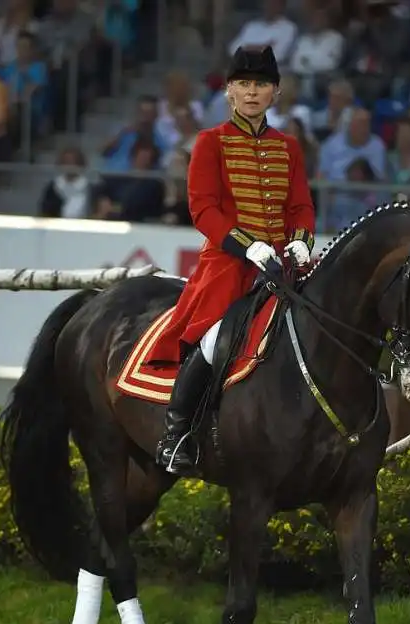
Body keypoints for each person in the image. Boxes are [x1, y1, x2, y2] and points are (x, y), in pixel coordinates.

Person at [150, 45, 316, 475]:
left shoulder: (289, 148)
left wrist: (300, 241)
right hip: (229, 266)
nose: (252, 92)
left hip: (283, 268)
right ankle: (177, 433)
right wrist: (249, 246)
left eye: (261, 84)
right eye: (244, 83)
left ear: (275, 92)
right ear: (229, 91)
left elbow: (299, 206)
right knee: (212, 339)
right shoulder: (210, 142)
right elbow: (203, 208)